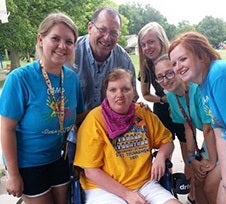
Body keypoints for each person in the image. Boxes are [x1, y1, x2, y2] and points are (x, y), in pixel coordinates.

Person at [0, 12, 85, 204]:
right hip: (28, 164)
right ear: (41, 39)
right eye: (55, 38)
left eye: (69, 41)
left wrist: (113, 108)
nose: (62, 46)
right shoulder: (19, 79)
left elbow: (81, 118)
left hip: (59, 159)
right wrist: (12, 175)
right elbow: (6, 129)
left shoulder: (72, 79)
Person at [74, 68, 181, 204]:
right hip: (104, 189)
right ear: (106, 93)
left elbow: (167, 141)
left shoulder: (143, 113)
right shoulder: (94, 120)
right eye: (113, 90)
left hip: (145, 184)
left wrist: (161, 155)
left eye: (125, 89)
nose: (120, 95)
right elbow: (90, 171)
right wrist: (127, 194)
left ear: (133, 91)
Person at [168, 31, 226, 204]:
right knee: (223, 195)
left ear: (202, 55)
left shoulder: (220, 75)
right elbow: (221, 135)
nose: (178, 67)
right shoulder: (204, 86)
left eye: (183, 59)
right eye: (174, 63)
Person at [67, 6, 138, 165]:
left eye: (114, 33)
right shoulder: (69, 52)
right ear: (90, 27)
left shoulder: (124, 60)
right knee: (72, 185)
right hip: (72, 138)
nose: (107, 38)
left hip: (110, 138)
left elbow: (131, 101)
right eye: (102, 30)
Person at [154, 54, 221, 204]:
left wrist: (211, 161)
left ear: (177, 70)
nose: (166, 80)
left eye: (169, 73)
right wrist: (191, 159)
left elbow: (208, 128)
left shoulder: (196, 88)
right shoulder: (172, 97)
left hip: (224, 137)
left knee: (210, 186)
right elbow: (188, 129)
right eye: (160, 77)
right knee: (197, 182)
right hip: (211, 140)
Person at [137, 22, 191, 200]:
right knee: (165, 148)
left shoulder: (172, 59)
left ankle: (188, 184)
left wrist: (176, 97)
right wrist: (162, 99)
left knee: (187, 146)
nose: (147, 47)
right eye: (143, 44)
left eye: (151, 42)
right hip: (162, 109)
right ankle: (167, 187)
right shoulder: (146, 67)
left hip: (181, 106)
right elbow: (145, 94)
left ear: (161, 41)